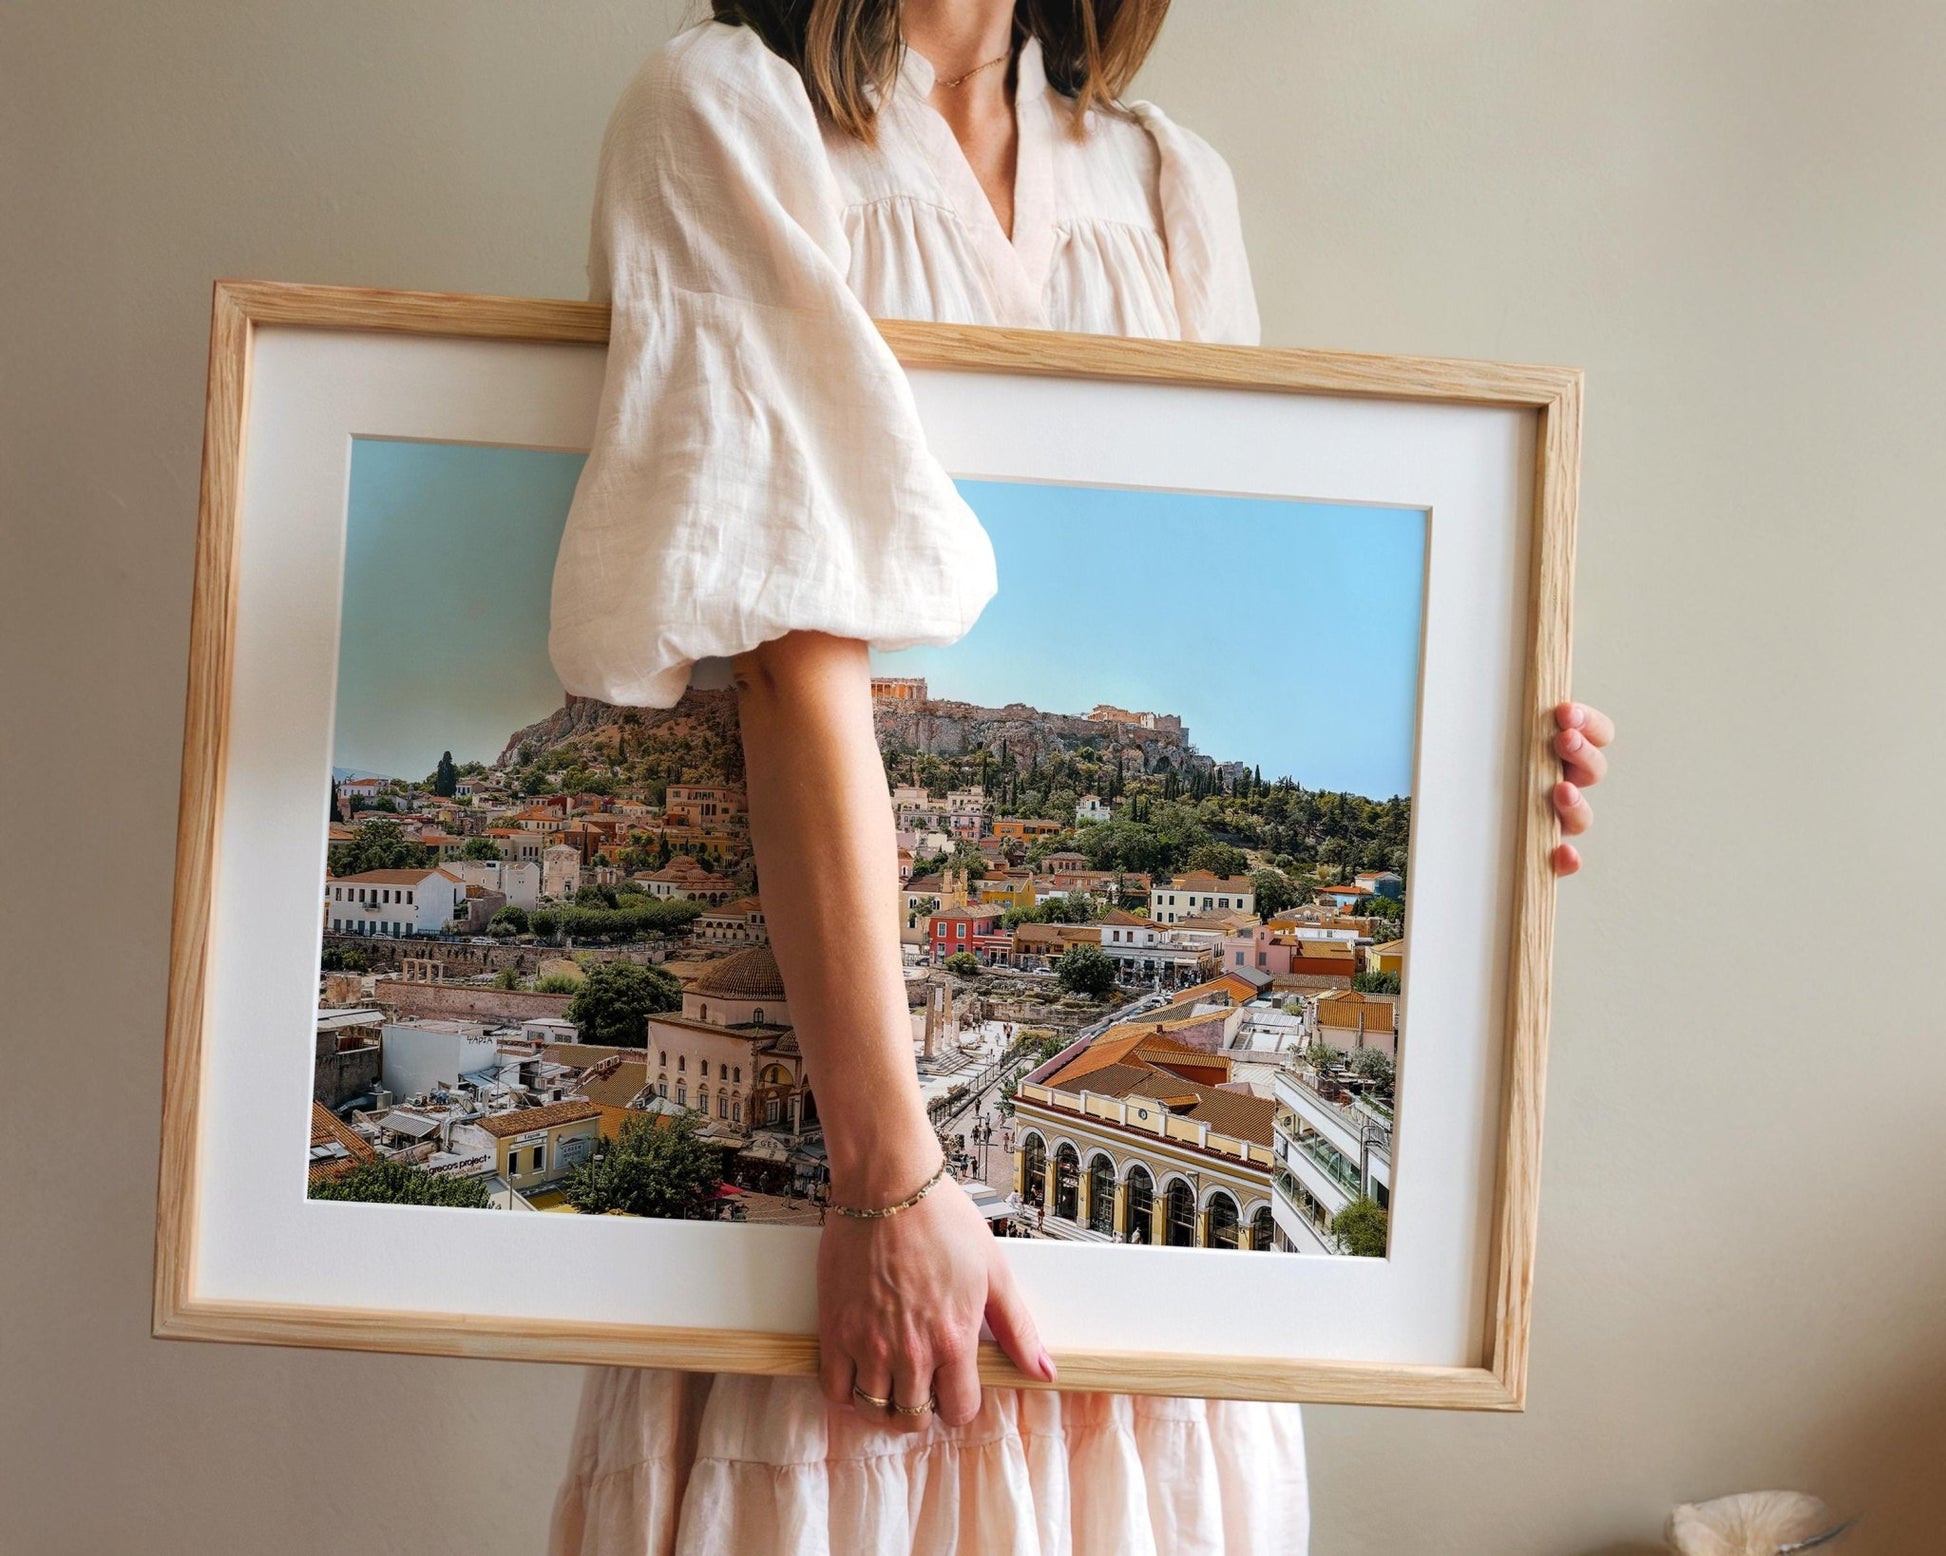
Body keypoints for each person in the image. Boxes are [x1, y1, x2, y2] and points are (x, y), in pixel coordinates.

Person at [544, 5, 1614, 1553]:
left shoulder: (1169, 187)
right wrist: (889, 1186)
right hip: (860, 1211)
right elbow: (783, 641)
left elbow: (1277, 556)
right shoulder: (723, 107)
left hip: (1144, 1335)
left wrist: (1474, 752)